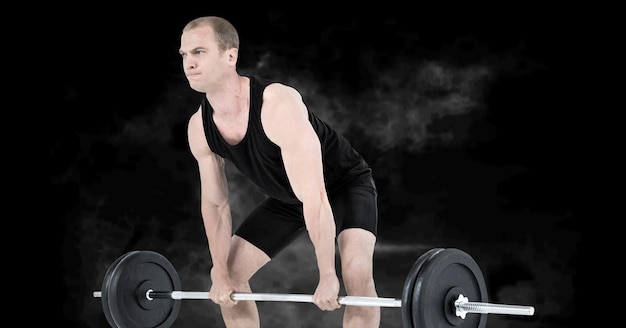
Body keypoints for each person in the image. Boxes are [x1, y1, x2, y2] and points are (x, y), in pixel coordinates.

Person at [181, 16, 380, 328]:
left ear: (230, 55)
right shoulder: (200, 128)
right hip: (288, 199)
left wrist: (327, 274)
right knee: (229, 276)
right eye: (184, 55)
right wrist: (219, 271)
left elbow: (315, 196)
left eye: (199, 52)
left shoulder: (276, 104)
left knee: (355, 272)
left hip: (343, 185)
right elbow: (216, 205)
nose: (189, 63)